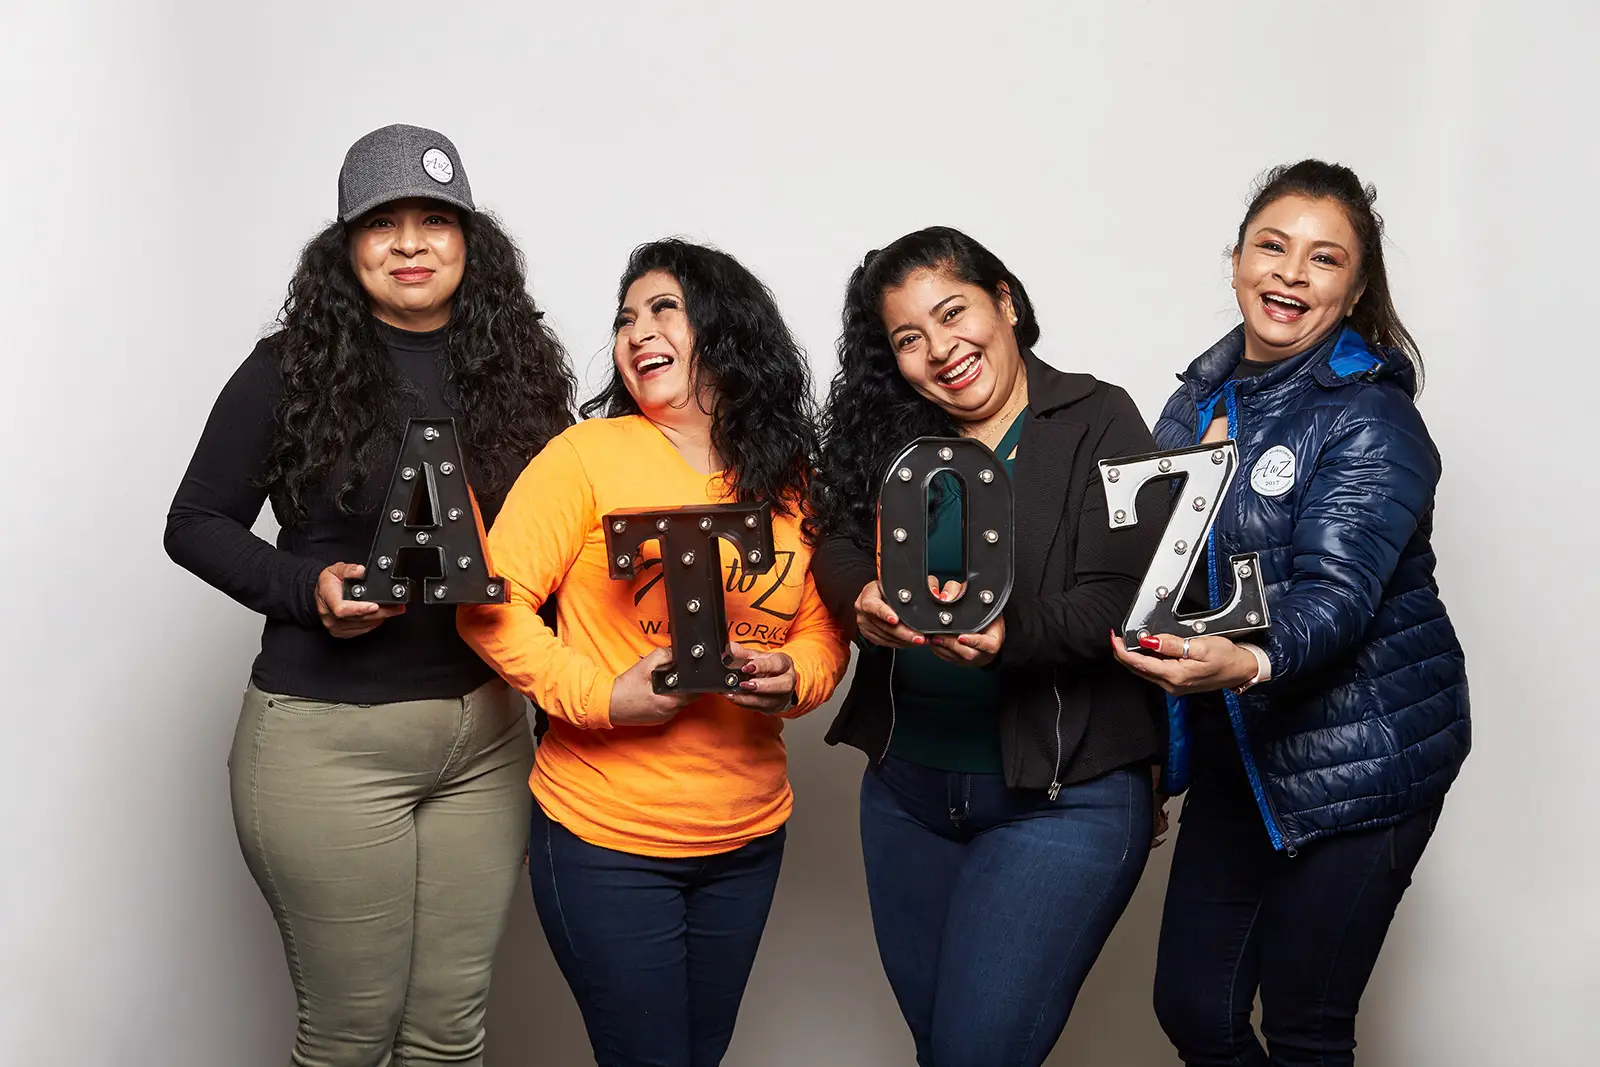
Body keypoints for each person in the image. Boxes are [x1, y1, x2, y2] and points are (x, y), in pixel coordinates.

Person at [164, 123, 575, 1067]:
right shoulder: (288, 367)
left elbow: (554, 557)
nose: (411, 244)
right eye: (383, 222)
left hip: (486, 742)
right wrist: (305, 587)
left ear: (471, 239)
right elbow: (195, 521)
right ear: (346, 244)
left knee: (450, 1031)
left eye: (436, 220)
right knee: (349, 1036)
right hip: (327, 743)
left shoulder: (518, 373)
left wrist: (561, 718)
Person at [1112, 159, 1471, 1067]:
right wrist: (1158, 757)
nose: (1290, 273)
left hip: (1366, 757)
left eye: (1324, 258)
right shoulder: (1194, 402)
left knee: (1307, 1025)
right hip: (1243, 748)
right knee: (1194, 1007)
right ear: (1237, 259)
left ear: (1354, 290)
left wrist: (1248, 661)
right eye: (1272, 246)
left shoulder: (1371, 419)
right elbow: (1164, 586)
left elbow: (1336, 596)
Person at [458, 238, 849, 1067]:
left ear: (726, 328)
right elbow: (489, 609)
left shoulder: (790, 480)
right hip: (607, 836)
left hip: (749, 835)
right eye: (625, 318)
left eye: (662, 309)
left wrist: (794, 678)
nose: (636, 332)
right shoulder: (583, 457)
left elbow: (821, 632)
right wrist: (604, 697)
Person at [805, 226, 1169, 1067]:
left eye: (952, 313)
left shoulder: (1097, 416)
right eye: (909, 338)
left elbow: (1118, 599)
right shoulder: (892, 432)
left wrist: (1011, 633)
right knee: (941, 1049)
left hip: (1063, 799)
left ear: (1003, 301)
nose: (940, 350)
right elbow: (837, 538)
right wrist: (859, 594)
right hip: (905, 796)